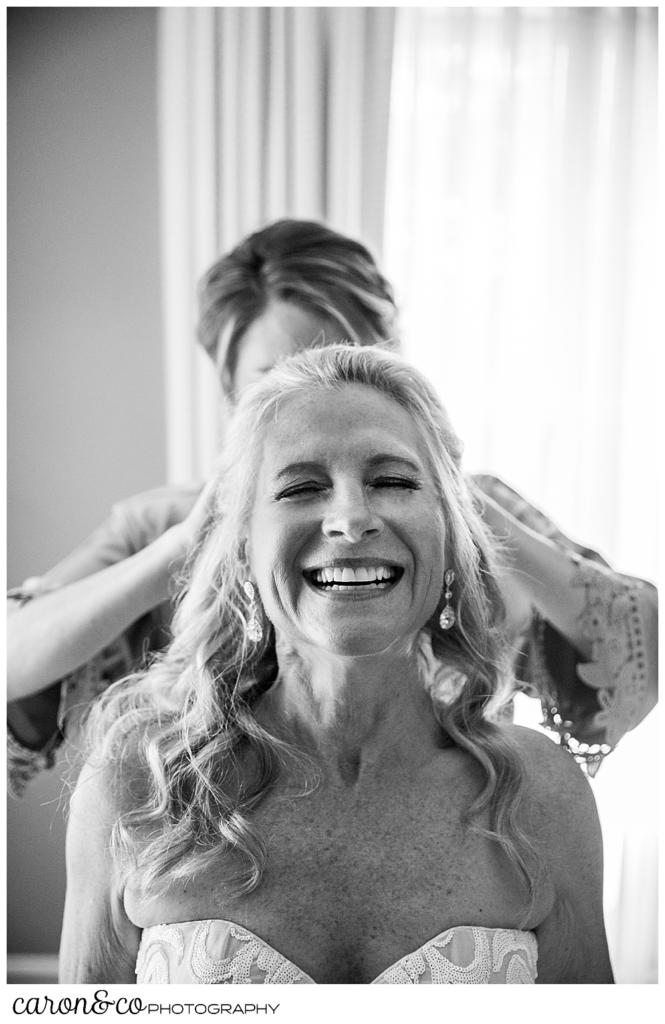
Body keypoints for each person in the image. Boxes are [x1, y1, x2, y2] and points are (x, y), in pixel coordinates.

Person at [7, 219, 657, 797]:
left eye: (341, 364)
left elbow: (640, 655)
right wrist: (185, 547)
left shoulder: (470, 515)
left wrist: (464, 508)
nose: (313, 401)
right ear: (231, 393)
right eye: (276, 379)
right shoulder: (155, 527)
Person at [59, 345, 613, 984]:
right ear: (242, 548)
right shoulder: (136, 788)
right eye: (299, 487)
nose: (350, 519)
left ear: (451, 536)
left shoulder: (541, 795)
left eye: (394, 481)